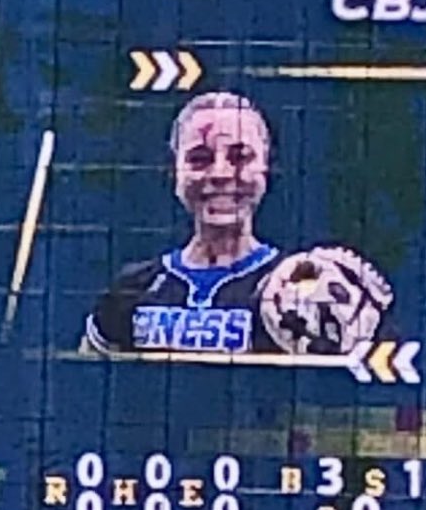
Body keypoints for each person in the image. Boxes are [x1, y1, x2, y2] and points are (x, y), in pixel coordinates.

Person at [82, 90, 393, 358]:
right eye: (199, 158)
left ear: (265, 167)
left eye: (240, 157)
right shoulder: (133, 289)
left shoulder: (301, 289)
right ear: (174, 170)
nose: (220, 173)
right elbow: (87, 390)